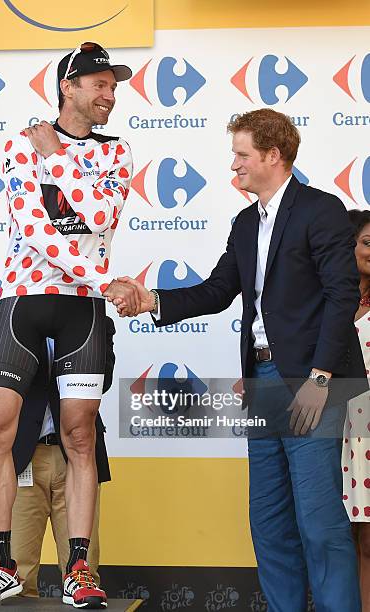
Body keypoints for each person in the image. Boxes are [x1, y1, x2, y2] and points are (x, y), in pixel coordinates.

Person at [113, 109, 368, 612]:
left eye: (242, 156)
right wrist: (151, 302)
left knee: (319, 522)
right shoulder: (245, 222)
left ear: (274, 156)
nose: (235, 167)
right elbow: (217, 290)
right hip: (263, 380)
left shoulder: (322, 210)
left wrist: (320, 377)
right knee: (268, 521)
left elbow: (342, 297)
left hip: (312, 379)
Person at [0, 41, 138, 610]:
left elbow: (98, 218)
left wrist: (56, 165)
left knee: (80, 436)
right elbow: (38, 227)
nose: (110, 95)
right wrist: (101, 276)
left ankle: (79, 567)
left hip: (81, 309)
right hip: (25, 299)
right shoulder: (19, 141)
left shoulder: (118, 151)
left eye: (114, 86)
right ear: (70, 86)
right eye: (101, 85)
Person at [0, 316, 116, 598]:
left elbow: (103, 380)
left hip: (76, 458)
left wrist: (69, 339)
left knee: (83, 572)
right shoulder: (12, 317)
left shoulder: (96, 321)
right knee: (15, 576)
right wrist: (19, 351)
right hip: (21, 457)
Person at [342, 209, 370, 612]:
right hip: (329, 436)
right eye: (366, 242)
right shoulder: (322, 306)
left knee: (367, 544)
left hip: (367, 442)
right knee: (333, 540)